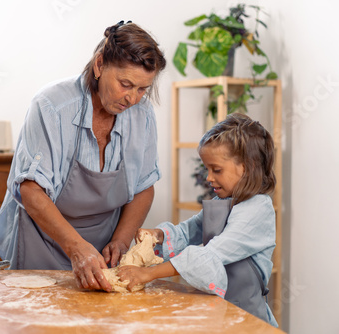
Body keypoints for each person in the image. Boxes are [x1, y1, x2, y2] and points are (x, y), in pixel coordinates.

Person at [0, 20, 167, 292]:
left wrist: (121, 241)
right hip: (42, 242)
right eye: (125, 84)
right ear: (99, 65)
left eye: (142, 89)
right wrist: (76, 248)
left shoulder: (142, 115)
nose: (132, 98)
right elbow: (31, 190)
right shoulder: (51, 106)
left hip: (103, 250)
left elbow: (143, 187)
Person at [118, 113, 279, 327]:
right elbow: (187, 232)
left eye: (217, 170)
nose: (209, 178)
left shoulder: (258, 210)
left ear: (247, 167)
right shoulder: (223, 204)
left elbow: (209, 255)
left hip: (247, 320)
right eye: (207, 169)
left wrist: (148, 274)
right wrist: (159, 235)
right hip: (218, 314)